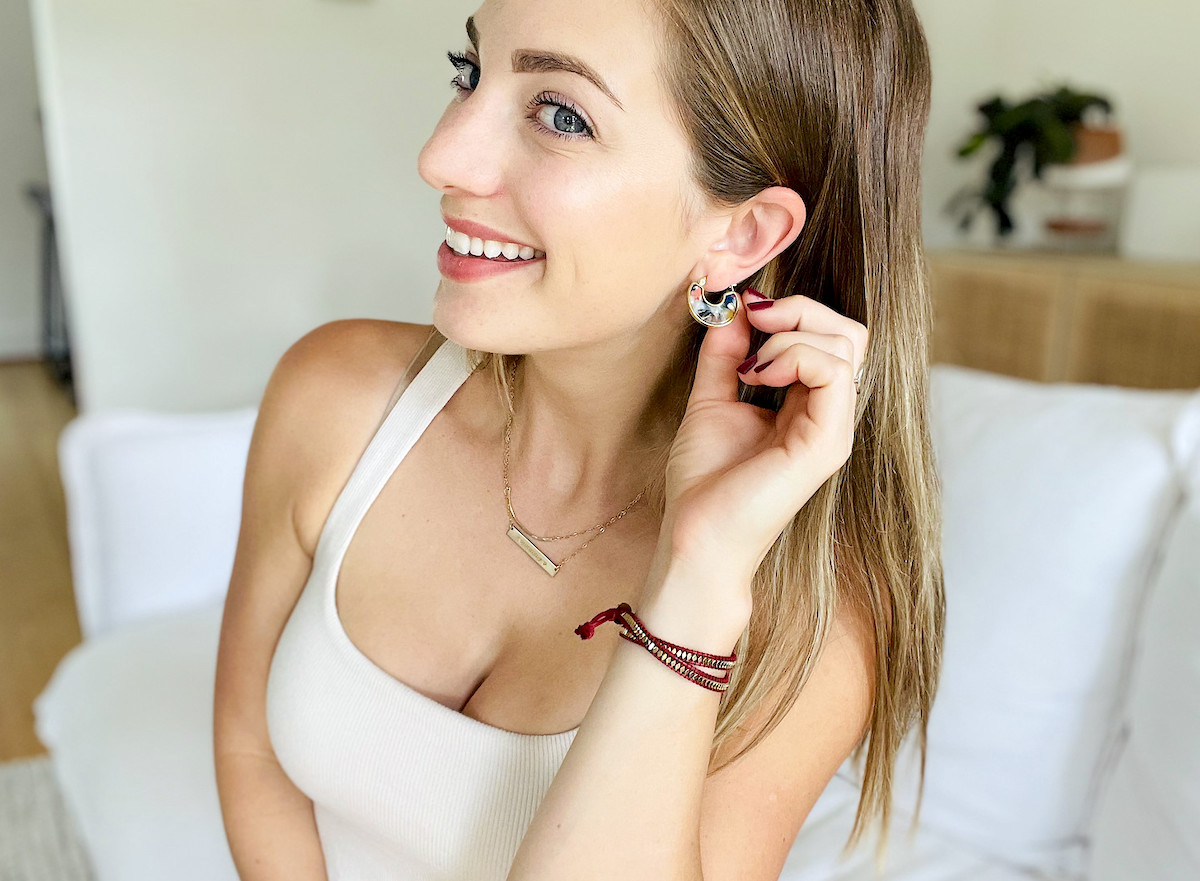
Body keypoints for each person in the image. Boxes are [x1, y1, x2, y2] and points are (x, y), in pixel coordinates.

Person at [213, 0, 945, 878]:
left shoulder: (813, 617)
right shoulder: (337, 400)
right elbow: (251, 752)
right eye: (470, 74)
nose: (441, 157)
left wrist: (697, 576)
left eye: (562, 114)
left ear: (740, 234)